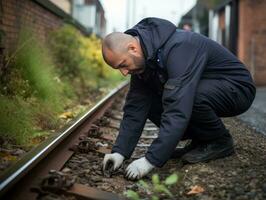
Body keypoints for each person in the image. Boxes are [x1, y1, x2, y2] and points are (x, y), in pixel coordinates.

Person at [101, 17, 256, 180]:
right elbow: (135, 107)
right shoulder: (143, 61)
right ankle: (201, 139)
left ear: (132, 48)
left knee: (188, 96)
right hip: (206, 87)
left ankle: (219, 141)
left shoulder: (180, 46)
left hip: (237, 88)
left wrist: (150, 160)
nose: (124, 73)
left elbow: (177, 106)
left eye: (122, 65)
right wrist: (120, 152)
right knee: (151, 102)